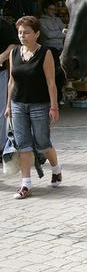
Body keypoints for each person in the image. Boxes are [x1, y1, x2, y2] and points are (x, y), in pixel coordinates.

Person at [5, 16, 61, 199]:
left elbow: (51, 82)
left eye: (27, 32)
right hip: (18, 104)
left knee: (43, 143)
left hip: (40, 104)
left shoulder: (45, 53)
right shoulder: (14, 54)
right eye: (20, 32)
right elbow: (11, 82)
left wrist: (54, 107)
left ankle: (56, 169)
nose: (22, 36)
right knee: (23, 145)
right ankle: (25, 184)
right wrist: (8, 106)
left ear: (37, 34)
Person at [39, 2, 66, 103]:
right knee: (50, 74)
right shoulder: (41, 21)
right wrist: (60, 33)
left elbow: (66, 32)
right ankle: (49, 98)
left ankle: (59, 98)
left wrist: (58, 34)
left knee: (60, 75)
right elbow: (48, 35)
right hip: (49, 50)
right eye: (51, 9)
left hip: (60, 49)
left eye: (54, 9)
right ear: (45, 9)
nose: (53, 11)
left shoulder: (58, 20)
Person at [0, 16, 19, 157]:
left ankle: (1, 148)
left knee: (1, 112)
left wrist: (1, 57)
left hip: (0, 73)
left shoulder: (3, 24)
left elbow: (13, 44)